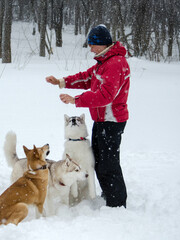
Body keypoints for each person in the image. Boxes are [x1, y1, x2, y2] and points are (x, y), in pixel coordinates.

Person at [45, 24, 130, 208]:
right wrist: (61, 82)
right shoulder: (103, 63)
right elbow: (86, 78)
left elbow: (105, 95)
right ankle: (109, 196)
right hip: (101, 121)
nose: (90, 48)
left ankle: (117, 204)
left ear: (102, 43)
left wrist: (75, 100)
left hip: (112, 121)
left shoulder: (115, 64)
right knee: (99, 162)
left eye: (92, 44)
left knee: (108, 164)